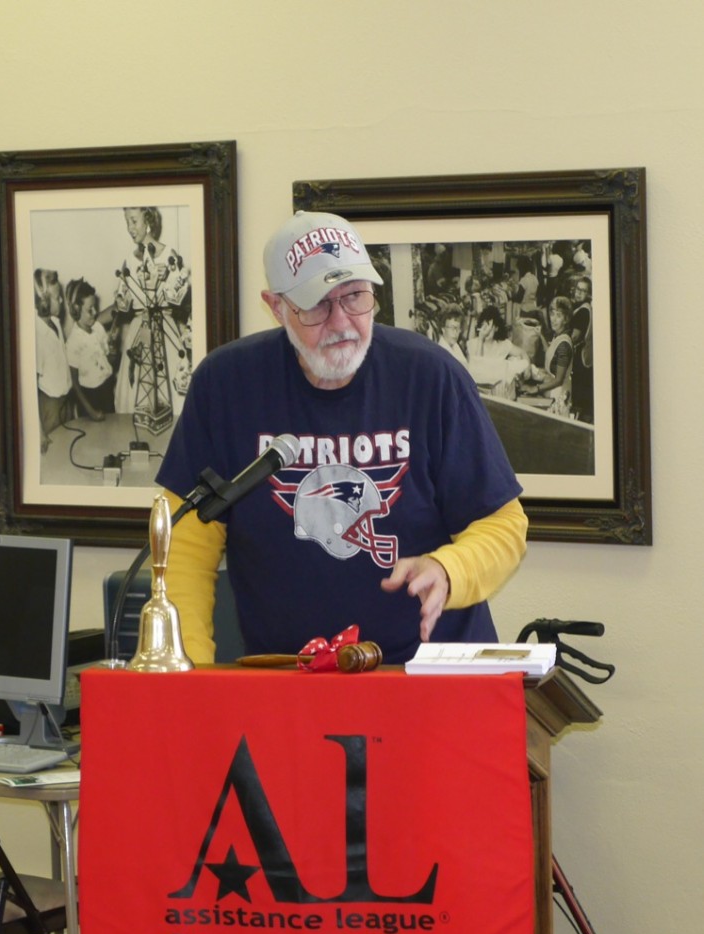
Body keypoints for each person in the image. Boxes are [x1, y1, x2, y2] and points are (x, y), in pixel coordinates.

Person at [156, 210, 528, 665]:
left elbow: (504, 526)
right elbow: (185, 546)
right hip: (287, 676)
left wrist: (450, 570)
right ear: (276, 306)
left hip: (427, 670)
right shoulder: (226, 386)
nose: (341, 323)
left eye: (355, 296)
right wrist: (188, 673)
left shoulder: (430, 377)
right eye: (317, 305)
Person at [113, 207, 192, 416]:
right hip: (139, 330)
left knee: (172, 394)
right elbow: (123, 305)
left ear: (147, 220)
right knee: (136, 394)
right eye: (127, 222)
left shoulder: (169, 256)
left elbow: (183, 300)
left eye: (133, 221)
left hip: (165, 329)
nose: (130, 228)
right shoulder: (129, 261)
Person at [65, 278, 115, 421]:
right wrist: (91, 412)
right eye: (89, 309)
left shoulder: (98, 328)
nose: (95, 312)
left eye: (95, 307)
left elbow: (107, 360)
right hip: (90, 398)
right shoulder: (73, 342)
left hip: (107, 388)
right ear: (76, 310)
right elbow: (75, 384)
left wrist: (113, 352)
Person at [34, 268, 71, 454]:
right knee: (54, 455)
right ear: (44, 302)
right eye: (58, 298)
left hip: (65, 401)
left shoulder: (55, 323)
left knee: (68, 447)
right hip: (49, 407)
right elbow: (30, 389)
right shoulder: (36, 335)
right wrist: (40, 432)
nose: (62, 301)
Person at [523, 295, 574, 417]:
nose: (553, 319)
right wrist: (540, 335)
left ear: (566, 319)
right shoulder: (558, 336)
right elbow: (550, 351)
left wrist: (535, 388)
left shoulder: (564, 345)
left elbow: (558, 380)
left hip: (559, 394)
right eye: (552, 314)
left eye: (558, 316)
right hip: (553, 391)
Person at [570, 276, 593, 422]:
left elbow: (574, 337)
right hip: (586, 354)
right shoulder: (586, 308)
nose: (578, 293)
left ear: (588, 294)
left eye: (583, 291)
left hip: (580, 356)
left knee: (578, 394)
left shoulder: (582, 312)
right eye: (578, 289)